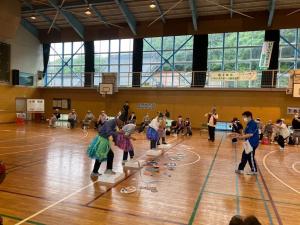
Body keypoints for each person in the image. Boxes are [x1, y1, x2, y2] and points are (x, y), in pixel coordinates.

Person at [235, 111, 259, 175]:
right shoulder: (248, 124)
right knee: (245, 156)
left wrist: (241, 137)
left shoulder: (253, 124)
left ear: (249, 117)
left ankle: (254, 170)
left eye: (244, 117)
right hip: (248, 143)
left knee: (250, 157)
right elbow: (245, 133)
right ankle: (241, 169)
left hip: (252, 143)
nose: (243, 119)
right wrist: (239, 135)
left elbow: (250, 134)